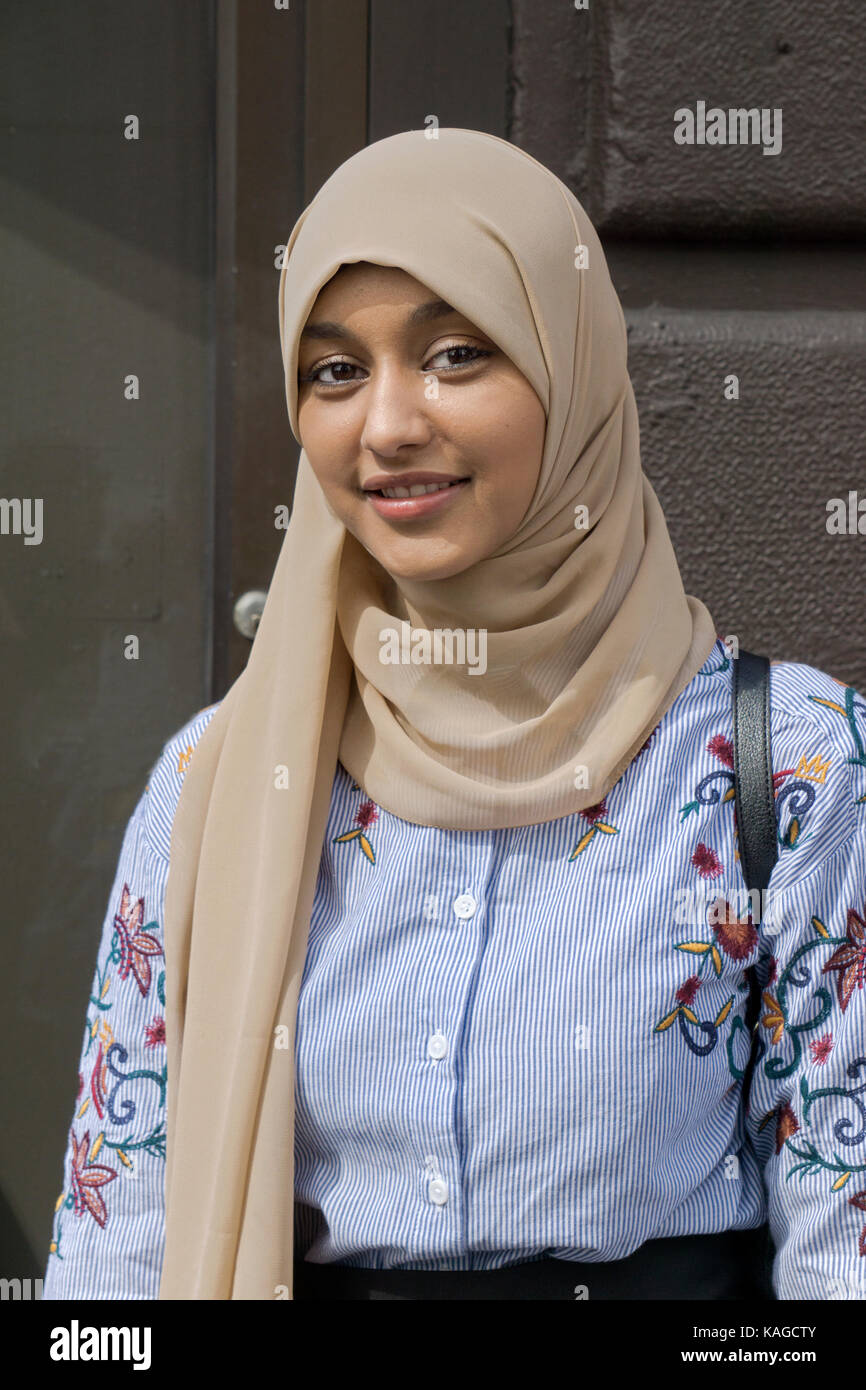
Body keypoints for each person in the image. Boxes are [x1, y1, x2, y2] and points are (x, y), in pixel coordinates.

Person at [43, 128, 866, 1302]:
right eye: (334, 371)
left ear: (569, 368)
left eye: (454, 353)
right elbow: (112, 1250)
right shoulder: (221, 784)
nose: (384, 426)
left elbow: (846, 1247)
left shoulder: (785, 770)